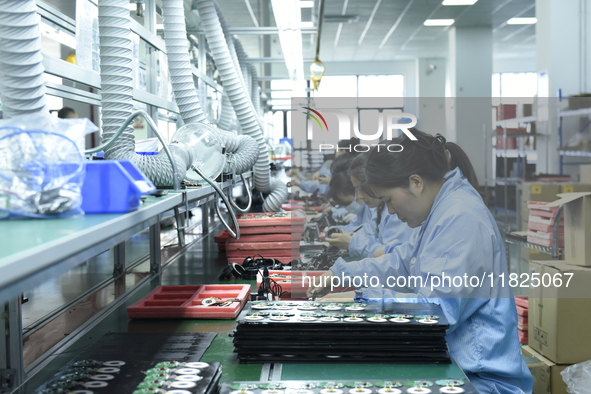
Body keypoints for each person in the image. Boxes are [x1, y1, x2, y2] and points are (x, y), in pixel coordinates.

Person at [307, 130, 533, 394]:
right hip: (454, 364)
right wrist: (345, 274)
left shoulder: (461, 217)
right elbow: (405, 262)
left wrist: (362, 297)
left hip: (478, 380)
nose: (390, 210)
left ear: (416, 182)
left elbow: (438, 310)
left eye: (389, 200)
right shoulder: (443, 209)